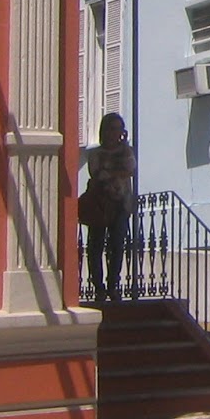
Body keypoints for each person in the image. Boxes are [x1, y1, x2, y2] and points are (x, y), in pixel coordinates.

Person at [86, 112, 136, 302]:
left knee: (117, 245)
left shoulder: (127, 151)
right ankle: (98, 286)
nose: (116, 133)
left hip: (121, 204)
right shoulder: (95, 153)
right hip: (100, 203)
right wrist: (116, 172)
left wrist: (122, 150)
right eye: (113, 128)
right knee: (96, 246)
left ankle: (113, 285)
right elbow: (97, 173)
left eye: (119, 129)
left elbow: (130, 169)